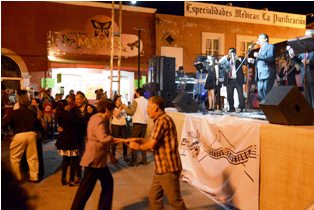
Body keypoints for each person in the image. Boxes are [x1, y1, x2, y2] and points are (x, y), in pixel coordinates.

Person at [127, 96, 187, 210]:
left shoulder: (162, 120)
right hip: (161, 168)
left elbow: (151, 145)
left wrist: (137, 146)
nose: (147, 109)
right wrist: (139, 140)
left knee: (175, 202)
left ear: (156, 107)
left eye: (149, 107)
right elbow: (151, 140)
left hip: (167, 168)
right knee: (154, 197)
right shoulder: (160, 120)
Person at [70, 99, 115, 210]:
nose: (112, 113)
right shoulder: (98, 119)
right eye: (112, 111)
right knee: (85, 190)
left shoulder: (97, 118)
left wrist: (110, 154)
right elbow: (103, 138)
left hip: (99, 160)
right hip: (94, 159)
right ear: (106, 110)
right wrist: (118, 140)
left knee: (107, 183)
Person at [2, 92, 45, 182]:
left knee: (15, 158)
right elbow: (38, 125)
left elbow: (4, 124)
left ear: (19, 102)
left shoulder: (14, 113)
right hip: (32, 134)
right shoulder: (31, 112)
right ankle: (34, 177)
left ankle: (17, 178)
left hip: (19, 135)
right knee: (32, 157)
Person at [55, 94, 81, 186]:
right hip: (71, 139)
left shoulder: (59, 115)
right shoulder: (69, 115)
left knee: (65, 160)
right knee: (73, 160)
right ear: (66, 106)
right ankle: (71, 179)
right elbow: (78, 122)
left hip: (63, 140)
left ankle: (63, 178)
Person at [288, 29, 314, 108]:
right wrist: (293, 56)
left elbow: (310, 61)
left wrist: (309, 62)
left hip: (312, 75)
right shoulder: (302, 50)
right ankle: (309, 112)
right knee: (306, 97)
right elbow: (299, 62)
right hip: (304, 75)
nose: (306, 37)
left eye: (308, 36)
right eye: (305, 36)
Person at [123, 88, 148, 166]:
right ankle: (144, 160)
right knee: (142, 142)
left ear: (137, 93)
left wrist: (125, 107)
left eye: (135, 92)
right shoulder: (147, 101)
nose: (135, 93)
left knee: (134, 142)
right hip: (145, 123)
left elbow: (131, 112)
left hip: (137, 123)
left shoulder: (136, 101)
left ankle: (134, 161)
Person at [248, 33, 276, 103]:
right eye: (258, 38)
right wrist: (253, 61)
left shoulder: (270, 46)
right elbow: (260, 62)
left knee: (267, 93)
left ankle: (269, 110)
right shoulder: (260, 49)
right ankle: (263, 110)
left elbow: (270, 58)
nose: (258, 40)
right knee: (260, 94)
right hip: (260, 75)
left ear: (266, 39)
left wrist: (258, 55)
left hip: (267, 73)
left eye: (260, 38)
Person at [223, 48, 246, 112]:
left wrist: (237, 58)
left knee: (240, 94)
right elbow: (222, 67)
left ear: (235, 53)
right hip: (229, 80)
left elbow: (245, 62)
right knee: (229, 95)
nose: (230, 54)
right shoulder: (226, 61)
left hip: (237, 79)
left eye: (231, 52)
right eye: (229, 52)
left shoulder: (238, 60)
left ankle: (242, 107)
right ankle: (231, 108)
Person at [110, 94, 129, 163]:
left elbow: (126, 115)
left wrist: (125, 108)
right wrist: (120, 108)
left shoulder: (122, 107)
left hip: (123, 125)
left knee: (125, 141)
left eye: (120, 100)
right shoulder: (113, 108)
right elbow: (116, 115)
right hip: (115, 125)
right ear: (115, 101)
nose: (120, 101)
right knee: (115, 141)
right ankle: (113, 156)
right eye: (118, 100)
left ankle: (125, 155)